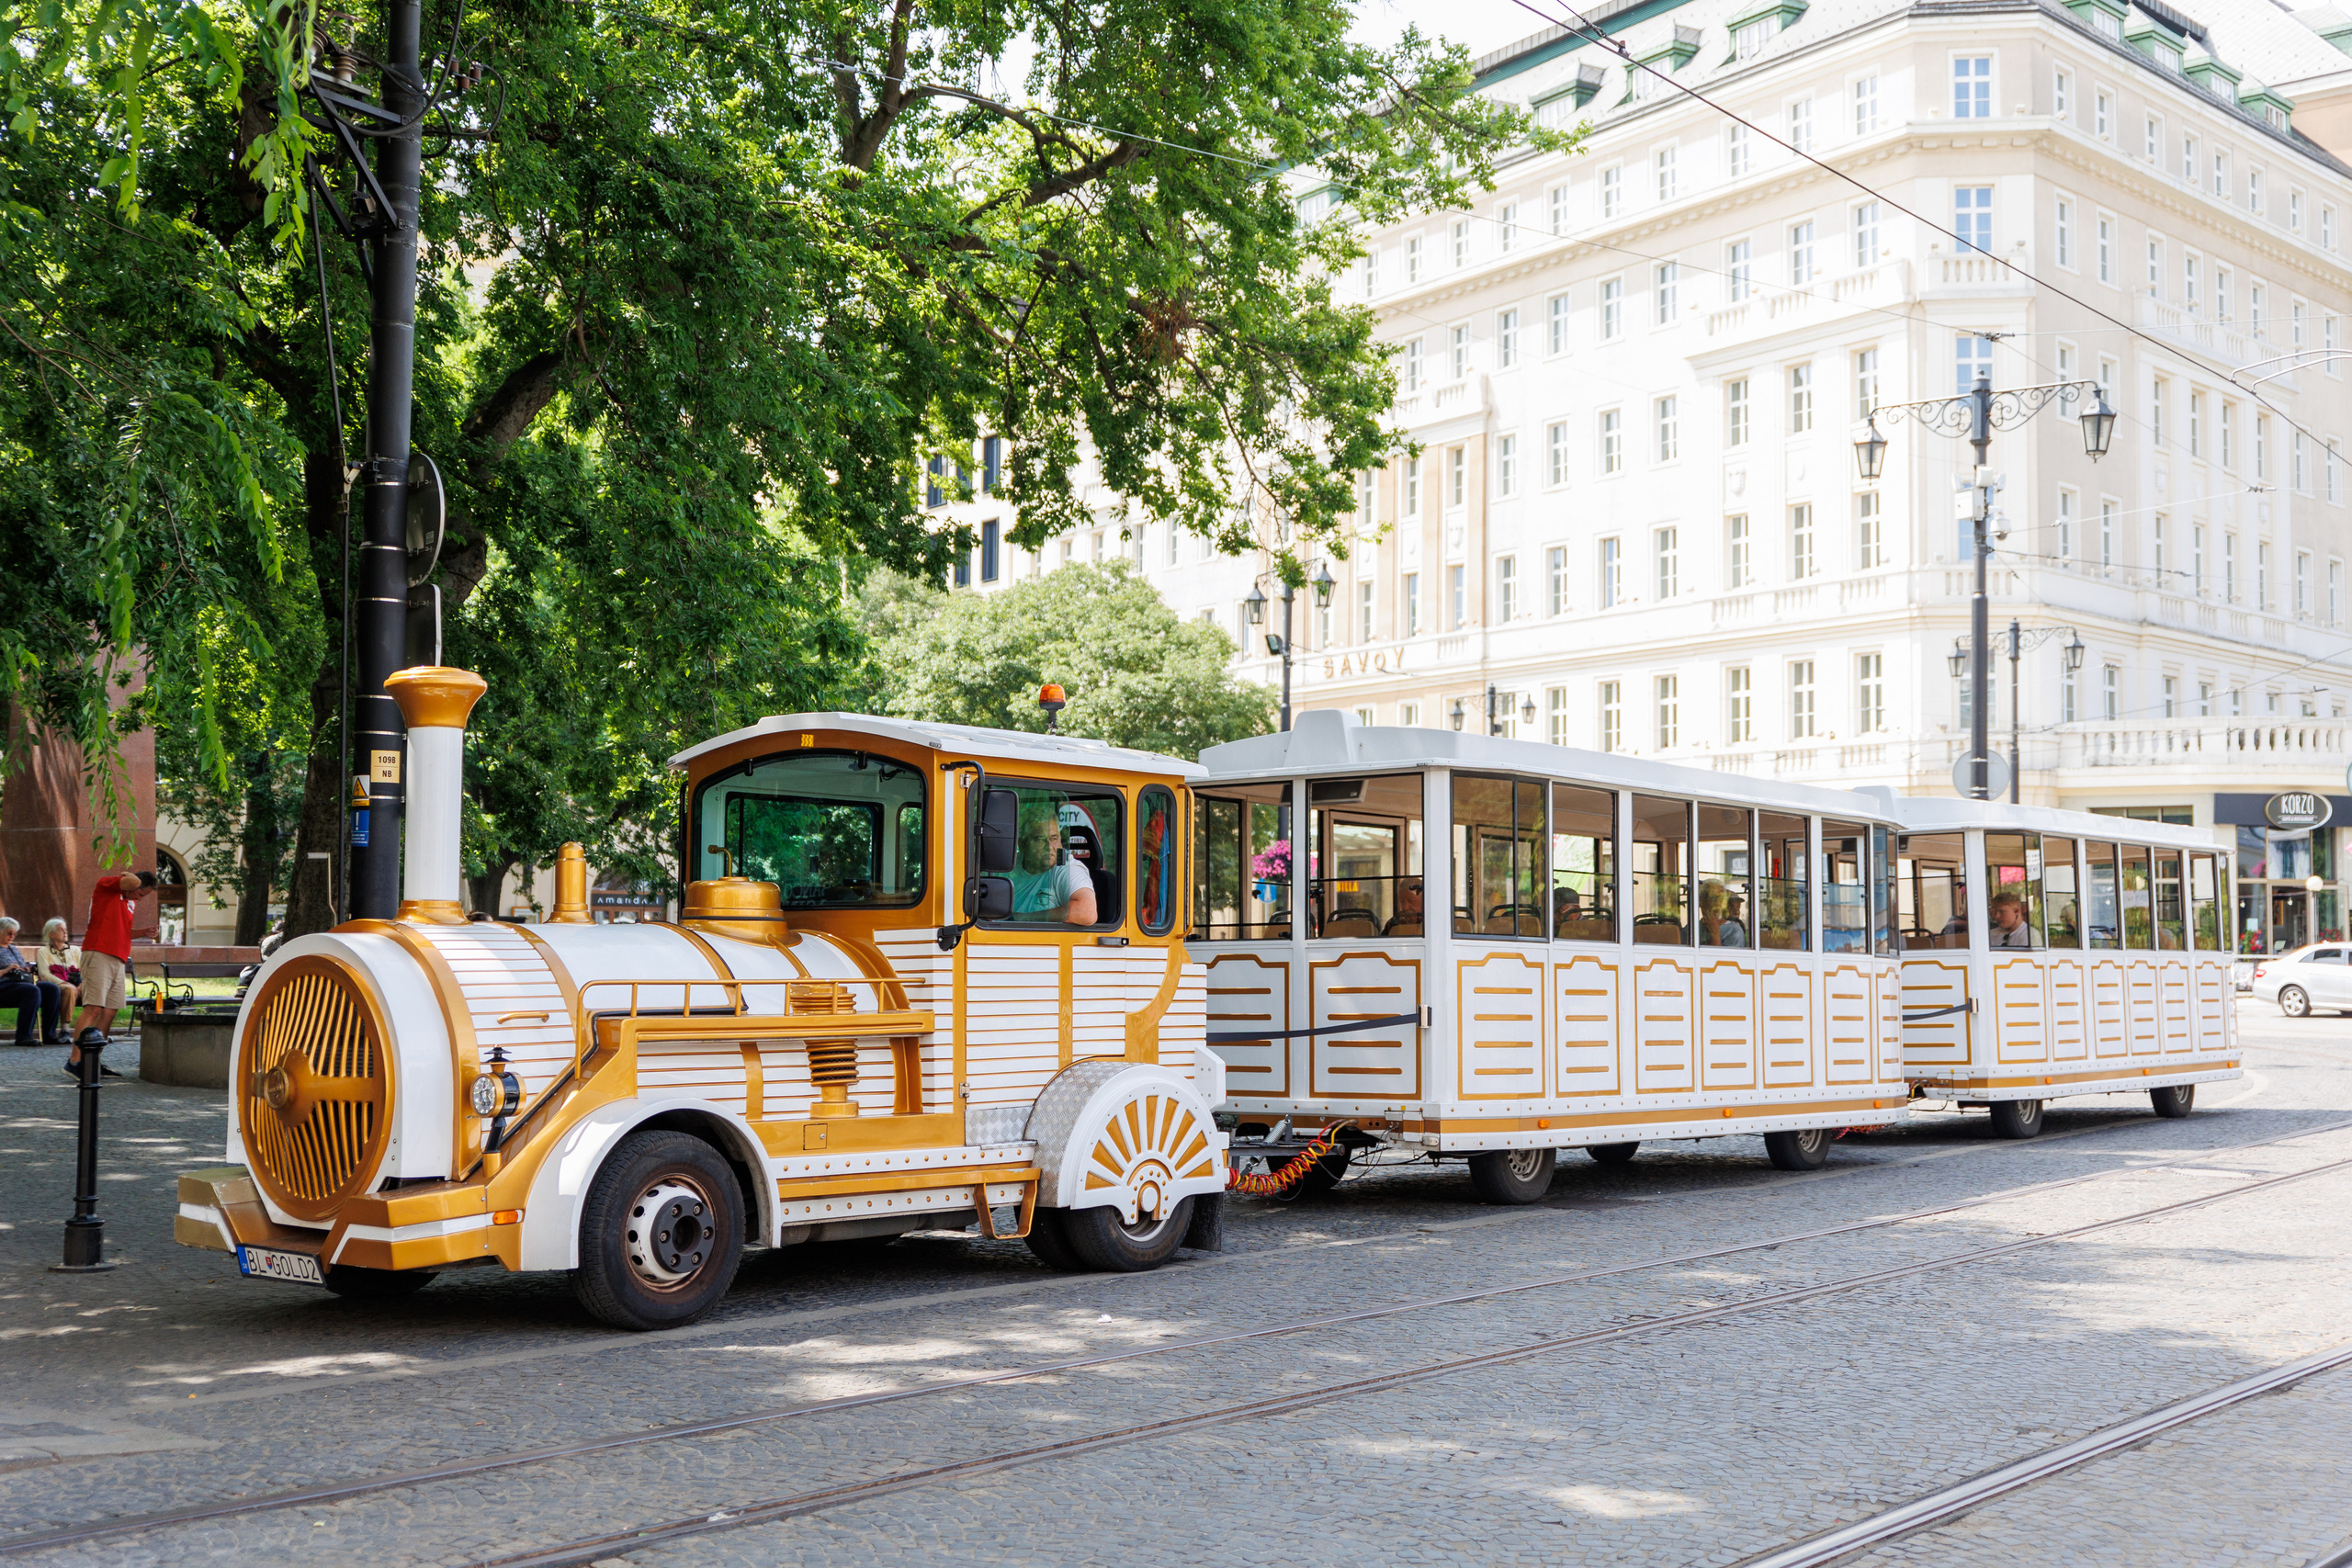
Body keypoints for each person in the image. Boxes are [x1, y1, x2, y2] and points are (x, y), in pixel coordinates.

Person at [71, 868, 157, 1077]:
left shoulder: (130, 903)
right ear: (132, 884)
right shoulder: (107, 887)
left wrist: (143, 932)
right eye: (140, 893)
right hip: (98, 952)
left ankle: (92, 1061)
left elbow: (124, 931)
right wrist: (130, 877)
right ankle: (75, 1062)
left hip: (118, 957)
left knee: (110, 1011)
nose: (140, 898)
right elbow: (131, 881)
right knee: (93, 1008)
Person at [1012, 805, 1096, 925]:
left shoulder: (1066, 868)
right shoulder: (1010, 865)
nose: (1049, 846)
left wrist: (1022, 918)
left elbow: (1087, 912)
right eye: (1040, 839)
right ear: (1022, 844)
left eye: (1054, 838)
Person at [0, 918, 62, 1047]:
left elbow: (22, 967)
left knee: (51, 989)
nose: (12, 936)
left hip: (19, 984)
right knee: (31, 991)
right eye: (9, 933)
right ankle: (23, 1036)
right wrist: (6, 970)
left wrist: (26, 969)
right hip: (3, 986)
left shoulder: (13, 949)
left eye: (15, 934)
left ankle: (49, 1035)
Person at [34, 918, 80, 1020]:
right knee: (70, 990)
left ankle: (93, 1026)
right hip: (57, 984)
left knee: (94, 989)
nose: (65, 932)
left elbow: (84, 969)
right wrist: (63, 982)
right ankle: (65, 1027)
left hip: (77, 983)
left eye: (65, 929)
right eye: (61, 930)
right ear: (51, 935)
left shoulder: (75, 950)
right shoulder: (43, 952)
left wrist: (82, 983)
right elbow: (44, 974)